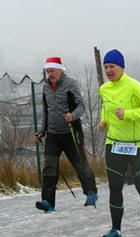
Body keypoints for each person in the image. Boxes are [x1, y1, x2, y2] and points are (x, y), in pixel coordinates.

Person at [98, 49, 140, 237]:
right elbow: (106, 108)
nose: (108, 70)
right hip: (114, 143)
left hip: (138, 145)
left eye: (112, 66)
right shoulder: (104, 89)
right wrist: (103, 122)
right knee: (115, 187)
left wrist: (130, 114)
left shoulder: (134, 86)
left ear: (121, 67)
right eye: (106, 67)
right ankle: (116, 231)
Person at [35, 57, 98, 212]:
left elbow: (81, 105)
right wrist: (42, 131)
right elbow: (46, 110)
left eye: (52, 71)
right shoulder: (45, 87)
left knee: (80, 164)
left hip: (72, 132)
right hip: (53, 135)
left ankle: (91, 192)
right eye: (47, 71)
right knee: (49, 168)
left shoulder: (71, 84)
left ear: (60, 70)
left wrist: (73, 115)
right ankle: (48, 202)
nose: (50, 74)